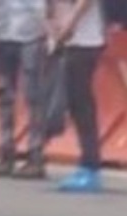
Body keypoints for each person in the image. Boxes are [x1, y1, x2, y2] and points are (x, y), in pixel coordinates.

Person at [0, 0, 51, 178]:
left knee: (33, 97)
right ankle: (6, 152)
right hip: (3, 33)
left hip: (32, 34)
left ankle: (35, 155)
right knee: (4, 95)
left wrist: (49, 27)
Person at [49, 0, 106, 194]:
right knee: (75, 104)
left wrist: (69, 24)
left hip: (85, 41)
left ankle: (91, 166)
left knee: (82, 105)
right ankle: (87, 163)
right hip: (67, 41)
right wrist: (54, 27)